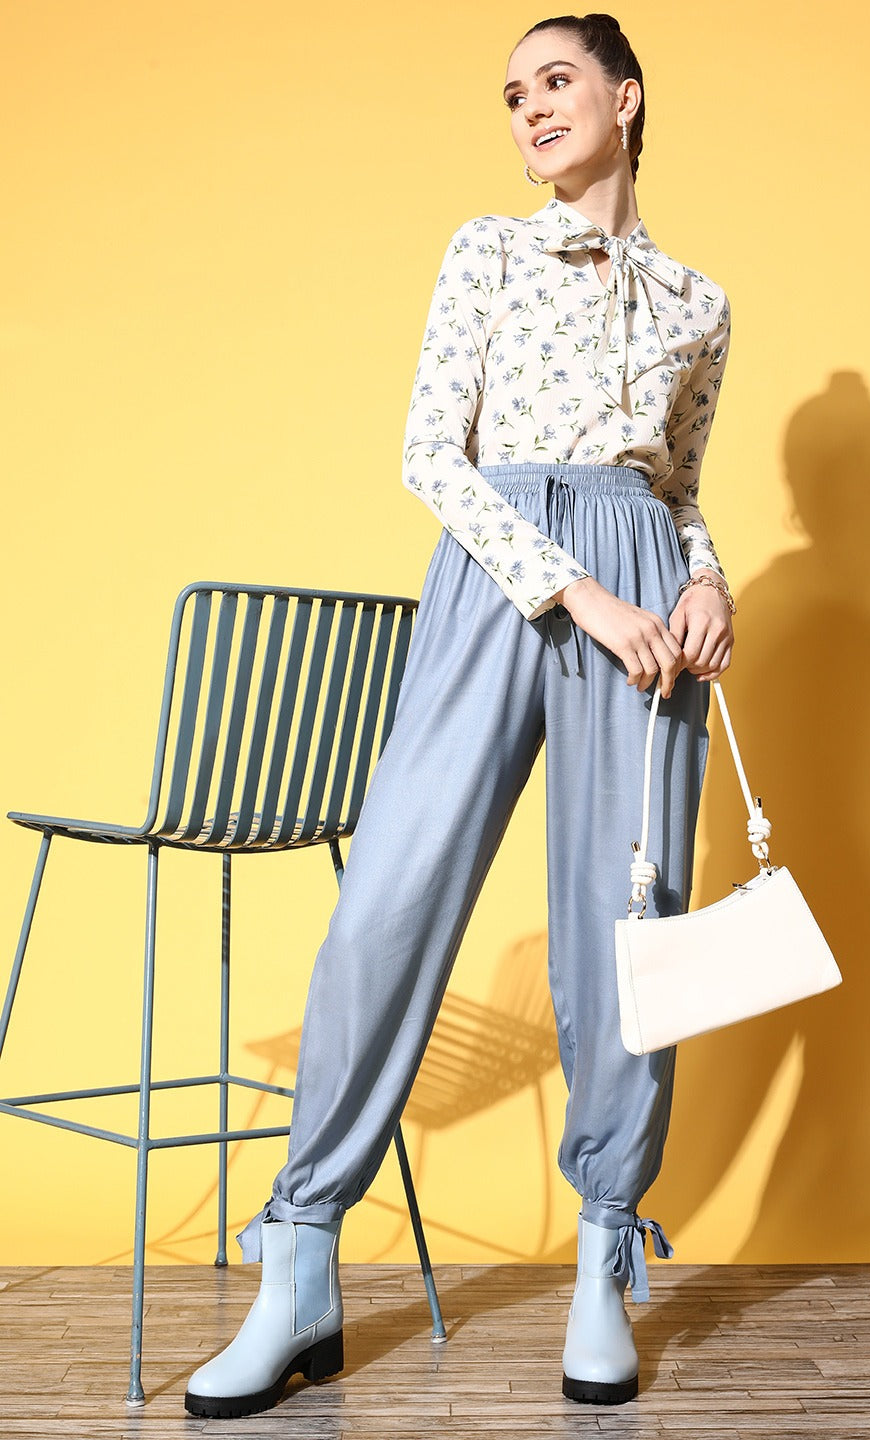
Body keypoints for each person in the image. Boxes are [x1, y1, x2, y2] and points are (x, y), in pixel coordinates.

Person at [184, 11, 735, 1418]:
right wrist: (579, 594)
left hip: (646, 609)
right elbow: (433, 454)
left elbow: (677, 489)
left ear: (626, 97)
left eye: (557, 81)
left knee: (635, 924)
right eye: (512, 95)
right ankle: (300, 1254)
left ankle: (605, 1253)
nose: (532, 108)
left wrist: (705, 581)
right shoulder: (485, 250)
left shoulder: (700, 303)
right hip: (505, 583)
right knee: (392, 898)